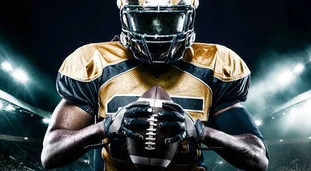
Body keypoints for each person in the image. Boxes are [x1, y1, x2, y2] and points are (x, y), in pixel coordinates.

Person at [41, 0, 268, 170]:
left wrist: (201, 131)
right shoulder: (95, 63)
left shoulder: (215, 64)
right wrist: (106, 127)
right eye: (146, 21)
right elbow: (50, 154)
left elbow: (257, 157)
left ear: (189, 15)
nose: (157, 34)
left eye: (169, 21)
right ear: (125, 15)